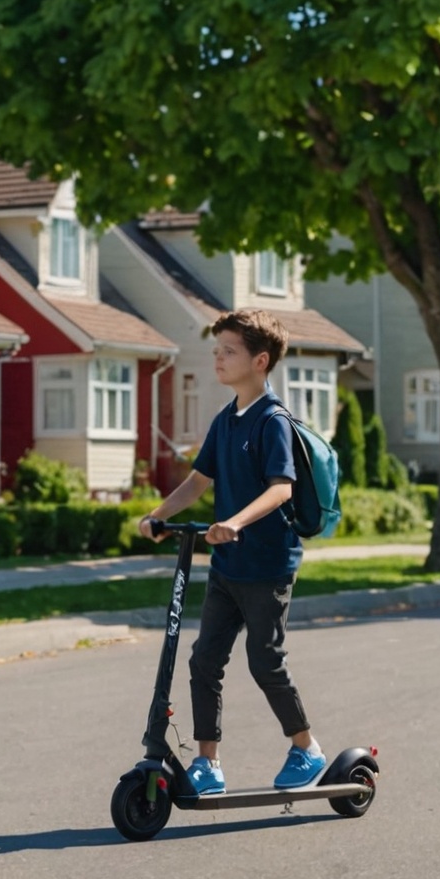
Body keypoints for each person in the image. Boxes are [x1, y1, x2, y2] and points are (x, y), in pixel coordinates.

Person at [139, 308, 325, 794]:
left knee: (264, 660)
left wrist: (235, 522)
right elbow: (199, 481)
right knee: (204, 661)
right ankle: (208, 763)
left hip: (266, 564)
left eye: (229, 351)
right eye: (216, 350)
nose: (218, 359)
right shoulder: (226, 420)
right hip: (227, 565)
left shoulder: (272, 420)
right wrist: (160, 517)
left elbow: (281, 488)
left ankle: (307, 748)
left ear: (260, 361)